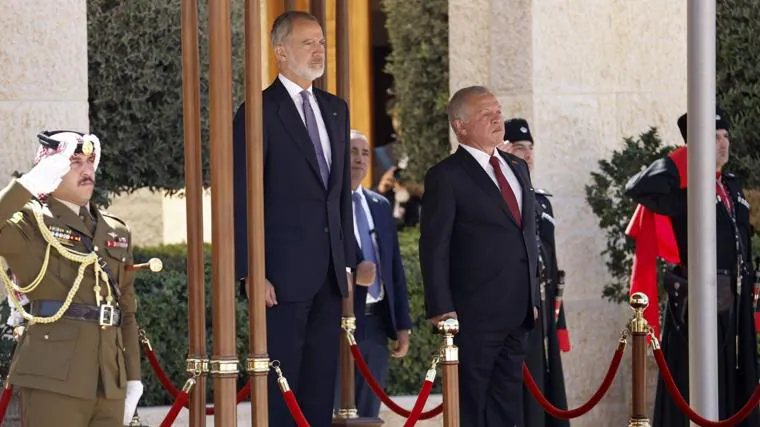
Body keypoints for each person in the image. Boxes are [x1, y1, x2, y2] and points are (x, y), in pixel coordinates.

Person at [231, 10, 355, 426]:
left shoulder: (336, 110)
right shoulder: (259, 111)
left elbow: (339, 197)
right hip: (280, 279)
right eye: (308, 43)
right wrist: (253, 270)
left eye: (321, 42)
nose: (318, 50)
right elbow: (242, 196)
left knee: (320, 387)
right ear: (280, 51)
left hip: (329, 275)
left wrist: (348, 259)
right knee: (282, 390)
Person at [625, 108, 759, 427]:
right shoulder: (683, 188)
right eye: (713, 137)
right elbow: (639, 187)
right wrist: (685, 160)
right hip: (699, 301)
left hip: (735, 303)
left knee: (736, 391)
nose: (723, 144)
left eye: (725, 136)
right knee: (696, 386)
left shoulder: (730, 186)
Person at [0, 130, 142, 426]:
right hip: (53, 377)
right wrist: (27, 185)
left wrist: (133, 379)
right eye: (74, 161)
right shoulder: (29, 223)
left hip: (109, 382)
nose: (86, 169)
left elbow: (126, 312)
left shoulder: (115, 231)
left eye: (90, 161)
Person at [419, 85, 540, 427]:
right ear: (460, 125)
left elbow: (525, 235)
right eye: (486, 114)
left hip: (518, 313)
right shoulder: (446, 176)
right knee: (471, 407)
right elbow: (434, 246)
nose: (496, 118)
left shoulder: (517, 166)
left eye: (498, 111)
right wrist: (441, 308)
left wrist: (532, 295)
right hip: (472, 317)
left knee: (507, 407)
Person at [500, 118, 570, 427]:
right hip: (515, 315)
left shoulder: (542, 202)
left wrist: (560, 323)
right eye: (519, 148)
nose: (527, 155)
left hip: (543, 312)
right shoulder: (500, 199)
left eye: (530, 149)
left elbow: (552, 266)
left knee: (548, 391)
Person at [337, 130, 412, 417]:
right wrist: (352, 277)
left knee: (369, 412)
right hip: (339, 324)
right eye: (353, 152)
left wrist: (402, 325)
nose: (359, 158)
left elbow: (394, 268)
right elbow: (315, 262)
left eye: (365, 153)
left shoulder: (379, 205)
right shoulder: (326, 206)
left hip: (377, 323)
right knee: (335, 410)